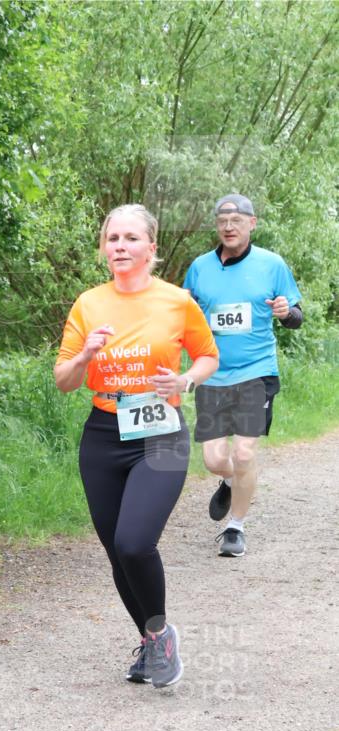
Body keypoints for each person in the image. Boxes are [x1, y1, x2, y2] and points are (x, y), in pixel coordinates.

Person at [55, 205, 218, 688]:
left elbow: (208, 355)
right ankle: (153, 642)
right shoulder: (88, 304)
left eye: (130, 238)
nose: (120, 247)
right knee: (116, 552)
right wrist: (86, 354)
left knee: (134, 542)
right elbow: (64, 380)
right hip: (104, 433)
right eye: (112, 239)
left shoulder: (176, 301)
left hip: (161, 429)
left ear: (151, 248)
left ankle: (159, 634)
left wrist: (186, 379)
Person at [183, 194, 303, 557]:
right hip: (213, 373)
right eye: (222, 220)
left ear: (252, 223)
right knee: (215, 460)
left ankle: (235, 527)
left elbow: (296, 317)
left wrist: (285, 311)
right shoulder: (200, 268)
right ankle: (230, 480)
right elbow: (182, 316)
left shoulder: (272, 265)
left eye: (236, 219)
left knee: (245, 451)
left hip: (256, 373)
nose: (228, 226)